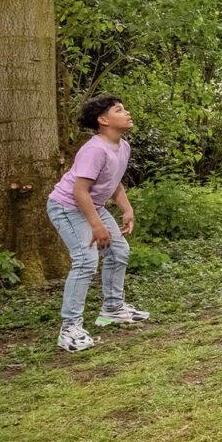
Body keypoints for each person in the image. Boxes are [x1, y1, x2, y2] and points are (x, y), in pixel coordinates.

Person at [48, 95, 149, 353]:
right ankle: (69, 329)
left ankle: (112, 309)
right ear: (103, 120)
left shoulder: (122, 146)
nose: (127, 113)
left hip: (92, 206)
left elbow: (113, 182)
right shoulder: (94, 149)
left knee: (119, 251)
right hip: (67, 207)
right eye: (119, 110)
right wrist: (96, 225)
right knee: (86, 260)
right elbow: (79, 191)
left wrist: (127, 208)